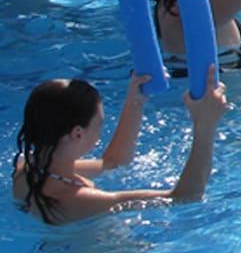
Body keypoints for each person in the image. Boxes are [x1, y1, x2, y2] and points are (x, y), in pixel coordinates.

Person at [11, 70, 228, 224]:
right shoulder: (77, 200)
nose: (100, 133)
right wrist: (205, 125)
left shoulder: (28, 169)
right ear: (77, 134)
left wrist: (135, 100)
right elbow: (185, 197)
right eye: (99, 125)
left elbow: (113, 163)